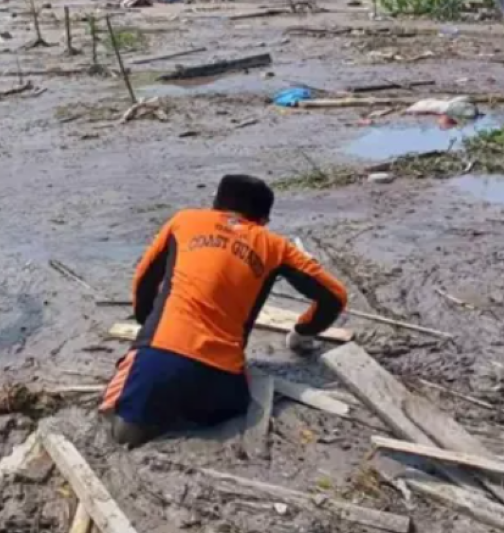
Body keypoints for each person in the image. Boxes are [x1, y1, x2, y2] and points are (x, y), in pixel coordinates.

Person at [99, 175, 348, 448]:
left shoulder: (184, 222)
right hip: (221, 382)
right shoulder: (275, 246)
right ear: (263, 220)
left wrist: (146, 332)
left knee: (121, 436)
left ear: (214, 205)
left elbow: (143, 282)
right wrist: (301, 332)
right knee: (213, 409)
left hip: (158, 361)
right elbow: (335, 297)